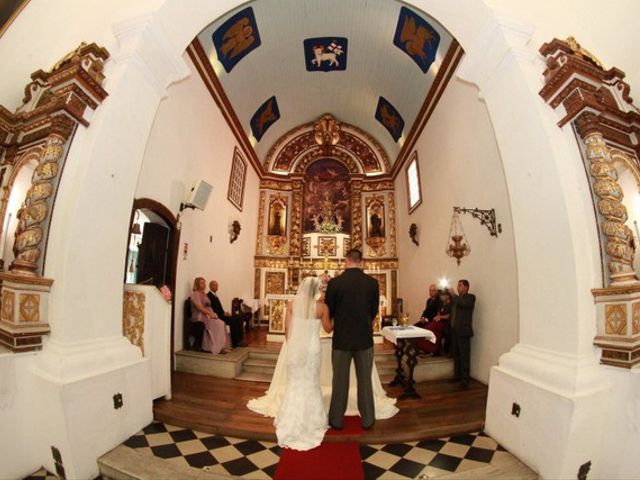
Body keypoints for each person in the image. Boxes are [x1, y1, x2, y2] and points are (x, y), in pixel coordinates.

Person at [273, 277, 333, 450]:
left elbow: (287, 330)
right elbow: (328, 328)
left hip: (295, 348)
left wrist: (292, 347)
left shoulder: (291, 305)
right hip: (312, 349)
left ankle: (290, 418)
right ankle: (312, 419)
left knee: (295, 382)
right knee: (311, 382)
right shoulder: (322, 308)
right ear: (316, 290)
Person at [325, 248, 379, 430]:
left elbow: (329, 311)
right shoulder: (372, 283)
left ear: (346, 261)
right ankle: (368, 419)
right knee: (365, 381)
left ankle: (336, 420)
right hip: (364, 339)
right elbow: (374, 312)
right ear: (361, 261)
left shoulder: (335, 283)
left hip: (341, 339)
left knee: (339, 381)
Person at [190, 277, 229, 354]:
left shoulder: (204, 294)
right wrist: (210, 314)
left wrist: (213, 313)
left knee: (221, 323)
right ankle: (214, 347)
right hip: (200, 315)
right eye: (201, 283)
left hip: (207, 315)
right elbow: (199, 307)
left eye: (204, 283)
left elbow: (209, 306)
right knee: (219, 324)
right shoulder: (195, 294)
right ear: (197, 284)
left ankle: (219, 346)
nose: (204, 285)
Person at [449, 279, 476, 389]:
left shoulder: (470, 297)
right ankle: (457, 375)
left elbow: (464, 304)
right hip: (455, 330)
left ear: (466, 287)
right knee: (456, 354)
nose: (458, 287)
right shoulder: (456, 299)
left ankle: (465, 379)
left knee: (464, 356)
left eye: (460, 286)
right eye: (457, 285)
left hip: (464, 331)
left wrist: (454, 295)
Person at [207, 280, 246, 348]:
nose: (216, 287)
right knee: (233, 320)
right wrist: (222, 314)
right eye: (214, 285)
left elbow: (219, 308)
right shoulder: (209, 296)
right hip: (217, 316)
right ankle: (236, 342)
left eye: (217, 285)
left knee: (238, 318)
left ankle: (240, 340)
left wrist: (224, 312)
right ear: (210, 286)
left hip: (222, 315)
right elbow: (211, 309)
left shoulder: (215, 295)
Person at [417, 290, 451, 356]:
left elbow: (449, 315)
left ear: (447, 296)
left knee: (431, 329)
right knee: (425, 329)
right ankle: (426, 348)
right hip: (438, 322)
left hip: (445, 323)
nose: (441, 297)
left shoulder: (450, 304)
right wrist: (438, 316)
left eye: (443, 295)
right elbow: (438, 312)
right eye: (441, 295)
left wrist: (440, 317)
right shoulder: (441, 303)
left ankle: (433, 350)